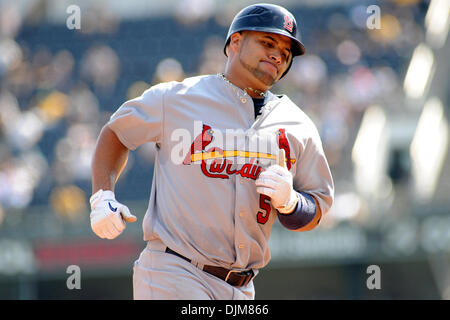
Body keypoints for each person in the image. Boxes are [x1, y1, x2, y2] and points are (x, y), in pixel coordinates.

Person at [89, 3, 334, 300]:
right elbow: (116, 132)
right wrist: (103, 195)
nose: (277, 55)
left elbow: (318, 208)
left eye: (285, 52)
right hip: (174, 270)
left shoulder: (298, 125)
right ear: (235, 42)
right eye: (268, 42)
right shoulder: (177, 98)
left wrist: (292, 202)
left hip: (242, 287)